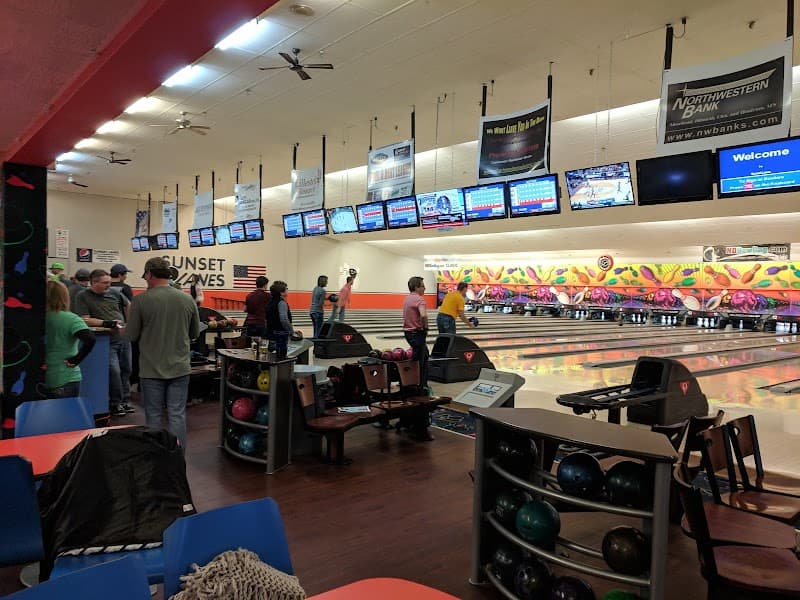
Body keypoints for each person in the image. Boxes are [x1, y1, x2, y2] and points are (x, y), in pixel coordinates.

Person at [126, 257, 200, 450]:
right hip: (180, 367)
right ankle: (177, 459)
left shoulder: (140, 300)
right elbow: (194, 334)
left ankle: (156, 460)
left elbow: (131, 335)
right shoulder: (187, 299)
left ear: (149, 274)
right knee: (177, 415)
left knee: (154, 415)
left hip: (151, 369)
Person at [74, 268, 133, 417]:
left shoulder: (114, 293)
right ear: (93, 283)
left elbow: (128, 305)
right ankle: (115, 403)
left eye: (109, 282)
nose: (109, 285)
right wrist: (106, 323)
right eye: (105, 283)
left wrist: (130, 323)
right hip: (106, 341)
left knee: (127, 369)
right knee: (114, 372)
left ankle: (125, 401)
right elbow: (85, 319)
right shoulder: (83, 296)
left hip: (123, 338)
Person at [45, 280, 96, 398]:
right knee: (66, 415)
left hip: (42, 376)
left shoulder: (36, 318)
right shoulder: (71, 319)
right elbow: (90, 339)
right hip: (66, 375)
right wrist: (76, 359)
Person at [403, 276, 429, 393]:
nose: (425, 288)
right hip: (417, 333)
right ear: (416, 287)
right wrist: (425, 327)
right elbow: (423, 315)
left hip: (408, 333)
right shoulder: (419, 299)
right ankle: (418, 386)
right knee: (419, 361)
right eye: (423, 286)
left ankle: (416, 383)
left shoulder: (407, 299)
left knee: (424, 356)